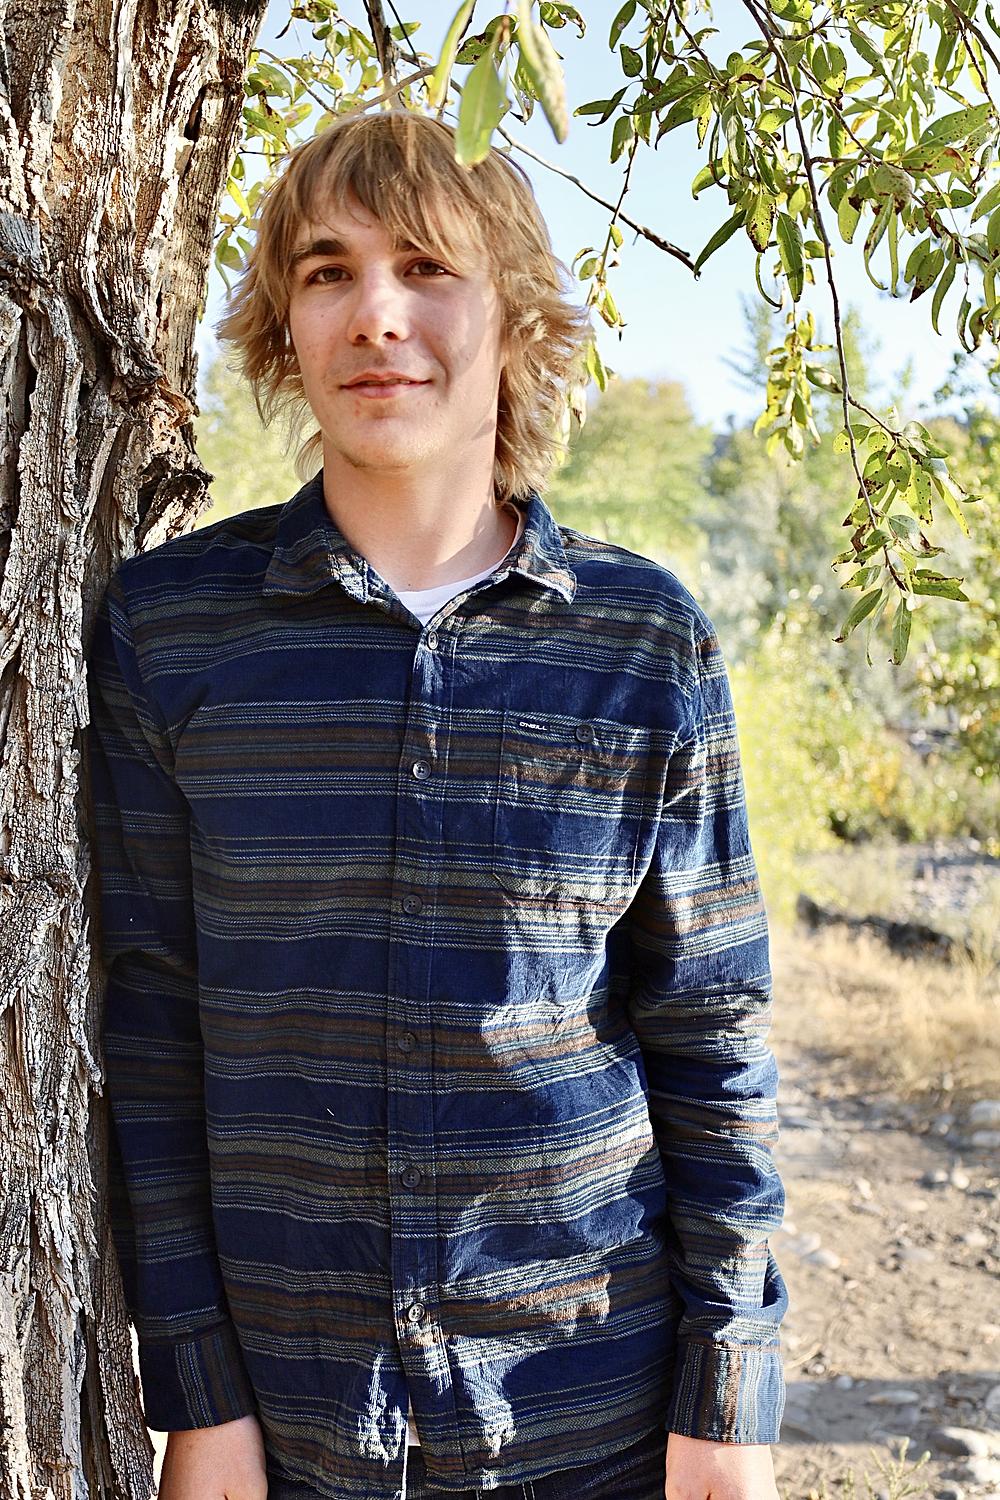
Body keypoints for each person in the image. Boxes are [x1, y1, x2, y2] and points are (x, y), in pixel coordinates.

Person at [85, 108, 789, 1500]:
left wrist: (729, 1405)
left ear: (515, 319)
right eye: (328, 272)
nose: (376, 315)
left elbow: (711, 1034)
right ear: (284, 326)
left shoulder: (644, 643)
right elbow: (153, 1030)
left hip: (592, 1411)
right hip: (294, 1424)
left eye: (426, 267)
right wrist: (198, 1397)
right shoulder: (172, 631)